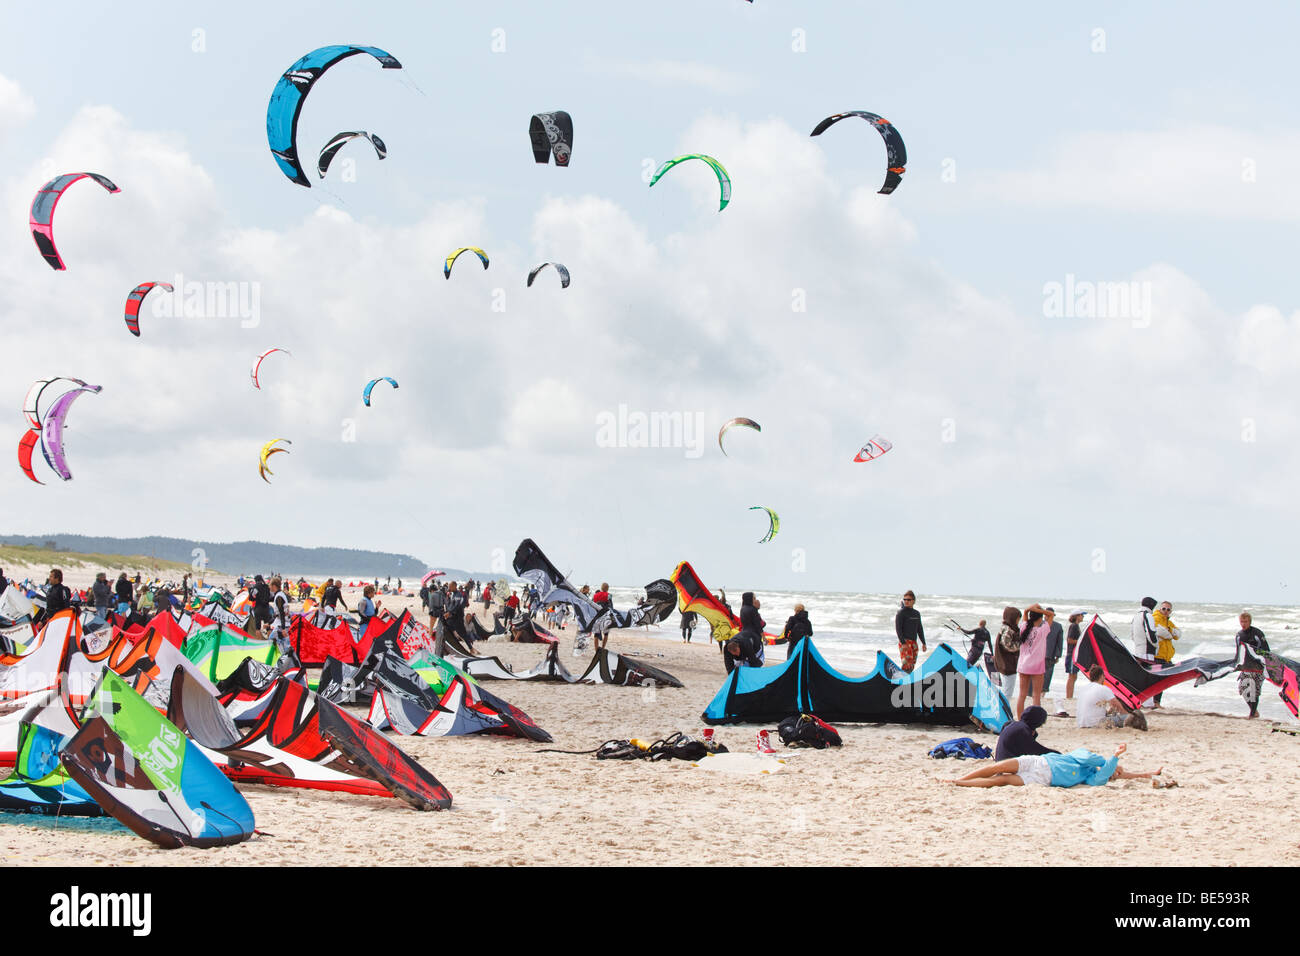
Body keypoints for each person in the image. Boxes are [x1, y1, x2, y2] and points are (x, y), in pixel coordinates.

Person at [950, 743, 1162, 788]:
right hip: (1040, 761)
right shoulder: (1084, 758)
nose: (1114, 772)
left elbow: (1103, 776)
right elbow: (1091, 759)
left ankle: (959, 783)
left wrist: (1147, 774)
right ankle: (961, 778)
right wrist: (1111, 759)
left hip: (1043, 778)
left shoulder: (1090, 778)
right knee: (997, 768)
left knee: (1001, 780)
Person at [1234, 612, 1269, 719]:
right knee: (1243, 689)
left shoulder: (1257, 633)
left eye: (1245, 621)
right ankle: (1254, 711)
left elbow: (1266, 650)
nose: (1243, 624)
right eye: (1241, 621)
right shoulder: (1239, 635)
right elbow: (1238, 652)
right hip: (1246, 666)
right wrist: (1237, 665)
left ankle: (1252, 713)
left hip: (1258, 667)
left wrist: (1266, 666)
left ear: (1250, 622)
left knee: (1254, 691)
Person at [1077, 665, 1136, 729]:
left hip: (1081, 724)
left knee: (1114, 714)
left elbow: (1093, 708)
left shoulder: (1083, 689)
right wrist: (1127, 715)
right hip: (1097, 724)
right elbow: (1118, 707)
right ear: (1101, 676)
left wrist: (1109, 711)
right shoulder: (1103, 688)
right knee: (1133, 718)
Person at [1016, 604, 1048, 718]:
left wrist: (1032, 608)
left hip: (1024, 665)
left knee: (1022, 695)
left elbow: (1025, 612)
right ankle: (1035, 721)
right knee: (1036, 695)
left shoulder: (1024, 627)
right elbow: (1051, 615)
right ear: (1040, 618)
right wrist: (1040, 609)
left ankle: (1020, 719)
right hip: (1037, 666)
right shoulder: (1043, 629)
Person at [994, 705, 1059, 761]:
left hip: (1000, 761)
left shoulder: (1011, 724)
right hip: (1008, 765)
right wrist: (1058, 754)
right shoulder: (1022, 730)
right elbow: (1036, 750)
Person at [1151, 601, 1180, 708]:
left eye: (1168, 609)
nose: (1166, 611)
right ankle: (1155, 702)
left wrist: (1170, 631)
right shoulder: (1155, 618)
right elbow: (1163, 633)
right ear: (1160, 609)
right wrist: (1170, 633)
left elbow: (1178, 634)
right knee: (1156, 680)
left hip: (1167, 657)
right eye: (1164, 609)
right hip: (1157, 656)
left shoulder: (1168, 622)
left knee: (1163, 681)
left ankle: (1157, 702)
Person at [992, 606, 1021, 697]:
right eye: (1017, 619)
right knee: (1007, 692)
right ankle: (1004, 710)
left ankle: (1000, 708)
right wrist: (1022, 644)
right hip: (1007, 665)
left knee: (1000, 689)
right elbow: (1009, 646)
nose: (1018, 621)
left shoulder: (1004, 628)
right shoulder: (1008, 630)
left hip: (1000, 663)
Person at [895, 590, 926, 673]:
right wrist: (903, 643)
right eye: (905, 599)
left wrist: (923, 643)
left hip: (914, 643)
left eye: (908, 600)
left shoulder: (916, 613)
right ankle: (902, 681)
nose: (906, 601)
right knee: (907, 664)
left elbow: (920, 629)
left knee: (912, 664)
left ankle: (905, 679)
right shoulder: (901, 613)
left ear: (913, 601)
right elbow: (898, 629)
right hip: (905, 642)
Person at [1064, 610, 1085, 705]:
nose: (1083, 617)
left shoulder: (1076, 626)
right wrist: (1080, 641)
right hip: (1072, 654)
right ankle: (1068, 697)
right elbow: (1069, 640)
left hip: (1074, 654)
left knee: (1074, 676)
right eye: (1081, 615)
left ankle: (1070, 696)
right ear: (1077, 616)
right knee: (1072, 676)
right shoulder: (1074, 626)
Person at [1131, 597, 1159, 663]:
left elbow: (1132, 635)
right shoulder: (1148, 615)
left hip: (1138, 650)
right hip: (1147, 651)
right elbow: (1151, 633)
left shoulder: (1136, 616)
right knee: (1149, 669)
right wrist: (1156, 646)